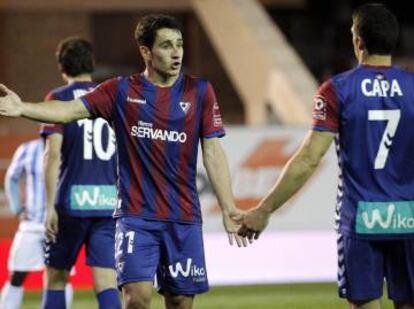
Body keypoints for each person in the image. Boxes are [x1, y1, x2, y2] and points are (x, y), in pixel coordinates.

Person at [0, 15, 249, 309]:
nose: (177, 53)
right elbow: (68, 111)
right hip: (135, 216)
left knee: (180, 300)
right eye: (167, 46)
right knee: (136, 298)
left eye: (179, 45)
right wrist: (22, 107)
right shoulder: (120, 91)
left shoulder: (200, 92)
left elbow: (213, 153)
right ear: (146, 52)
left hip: (182, 217)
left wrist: (228, 206)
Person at [238, 3, 414, 309]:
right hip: (409, 217)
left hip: (360, 219)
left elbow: (308, 159)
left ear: (358, 40)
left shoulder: (337, 90)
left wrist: (265, 209)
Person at [39, 37, 121, 309]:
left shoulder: (58, 98)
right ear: (92, 64)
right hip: (108, 202)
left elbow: (52, 154)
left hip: (71, 203)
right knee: (107, 282)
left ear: (62, 67)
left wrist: (49, 206)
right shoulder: (110, 96)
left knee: (57, 277)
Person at [0, 139, 73, 309]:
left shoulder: (69, 146)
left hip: (59, 225)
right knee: (17, 274)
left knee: (61, 275)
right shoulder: (27, 150)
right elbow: (11, 178)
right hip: (32, 225)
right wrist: (17, 208)